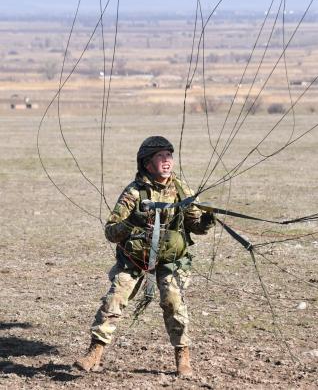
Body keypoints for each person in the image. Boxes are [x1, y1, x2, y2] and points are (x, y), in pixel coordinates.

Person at [74, 136, 215, 377]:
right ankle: (95, 352)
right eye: (160, 156)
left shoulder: (182, 189)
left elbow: (195, 226)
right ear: (147, 163)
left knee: (173, 302)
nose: (166, 160)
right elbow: (111, 232)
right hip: (135, 260)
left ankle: (183, 355)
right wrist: (131, 222)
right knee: (114, 299)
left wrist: (206, 221)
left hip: (171, 261)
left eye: (169, 155)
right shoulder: (134, 192)